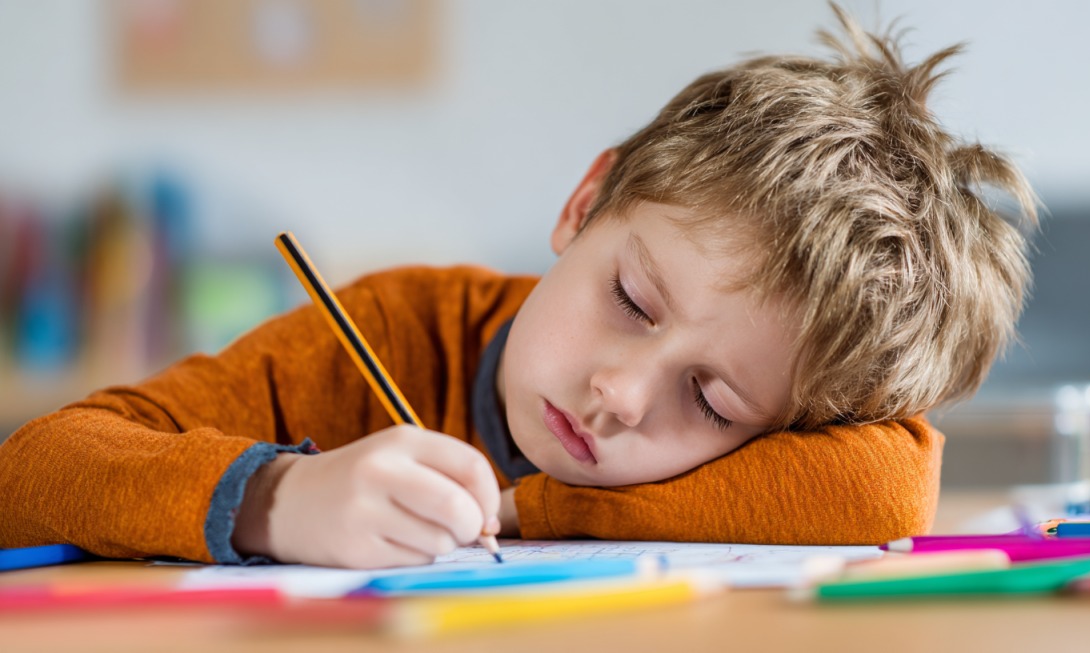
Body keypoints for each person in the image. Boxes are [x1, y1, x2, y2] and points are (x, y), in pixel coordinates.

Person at [0, 6, 1034, 569]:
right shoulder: (393, 327)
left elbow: (889, 482)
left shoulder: (784, 435)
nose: (623, 394)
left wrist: (521, 507)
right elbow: (38, 468)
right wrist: (277, 498)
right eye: (631, 301)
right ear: (585, 204)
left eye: (712, 399)